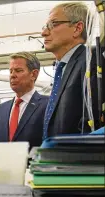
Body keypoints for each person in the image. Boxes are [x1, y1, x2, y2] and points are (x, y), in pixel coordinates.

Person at [41, 2, 100, 139]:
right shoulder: (63, 69)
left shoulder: (91, 60)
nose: (43, 33)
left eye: (53, 24)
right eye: (45, 27)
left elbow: (92, 122)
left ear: (77, 28)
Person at [0, 52, 49, 150]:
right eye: (11, 71)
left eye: (18, 70)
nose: (12, 75)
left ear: (33, 74)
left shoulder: (47, 105)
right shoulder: (0, 110)